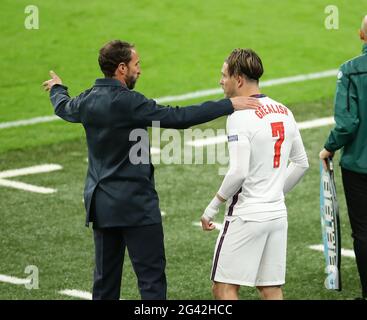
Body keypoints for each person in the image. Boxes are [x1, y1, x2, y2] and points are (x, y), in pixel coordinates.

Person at [42, 40, 260, 300]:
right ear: (121, 68)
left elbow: (63, 107)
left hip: (101, 206)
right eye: (137, 64)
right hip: (136, 207)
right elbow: (178, 117)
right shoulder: (129, 102)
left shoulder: (87, 100)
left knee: (104, 284)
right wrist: (228, 105)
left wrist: (57, 88)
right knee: (151, 282)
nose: (140, 70)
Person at [201, 48, 309, 300]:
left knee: (223, 287)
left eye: (224, 75)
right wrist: (273, 192)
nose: (220, 81)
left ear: (238, 79)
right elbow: (301, 163)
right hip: (277, 214)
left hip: (247, 216)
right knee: (271, 289)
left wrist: (212, 206)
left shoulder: (239, 115)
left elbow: (238, 172)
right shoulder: (284, 110)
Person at [319, 16, 367, 300]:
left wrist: (329, 146)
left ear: (361, 35)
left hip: (359, 168)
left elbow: (348, 124)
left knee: (363, 232)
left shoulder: (351, 71)